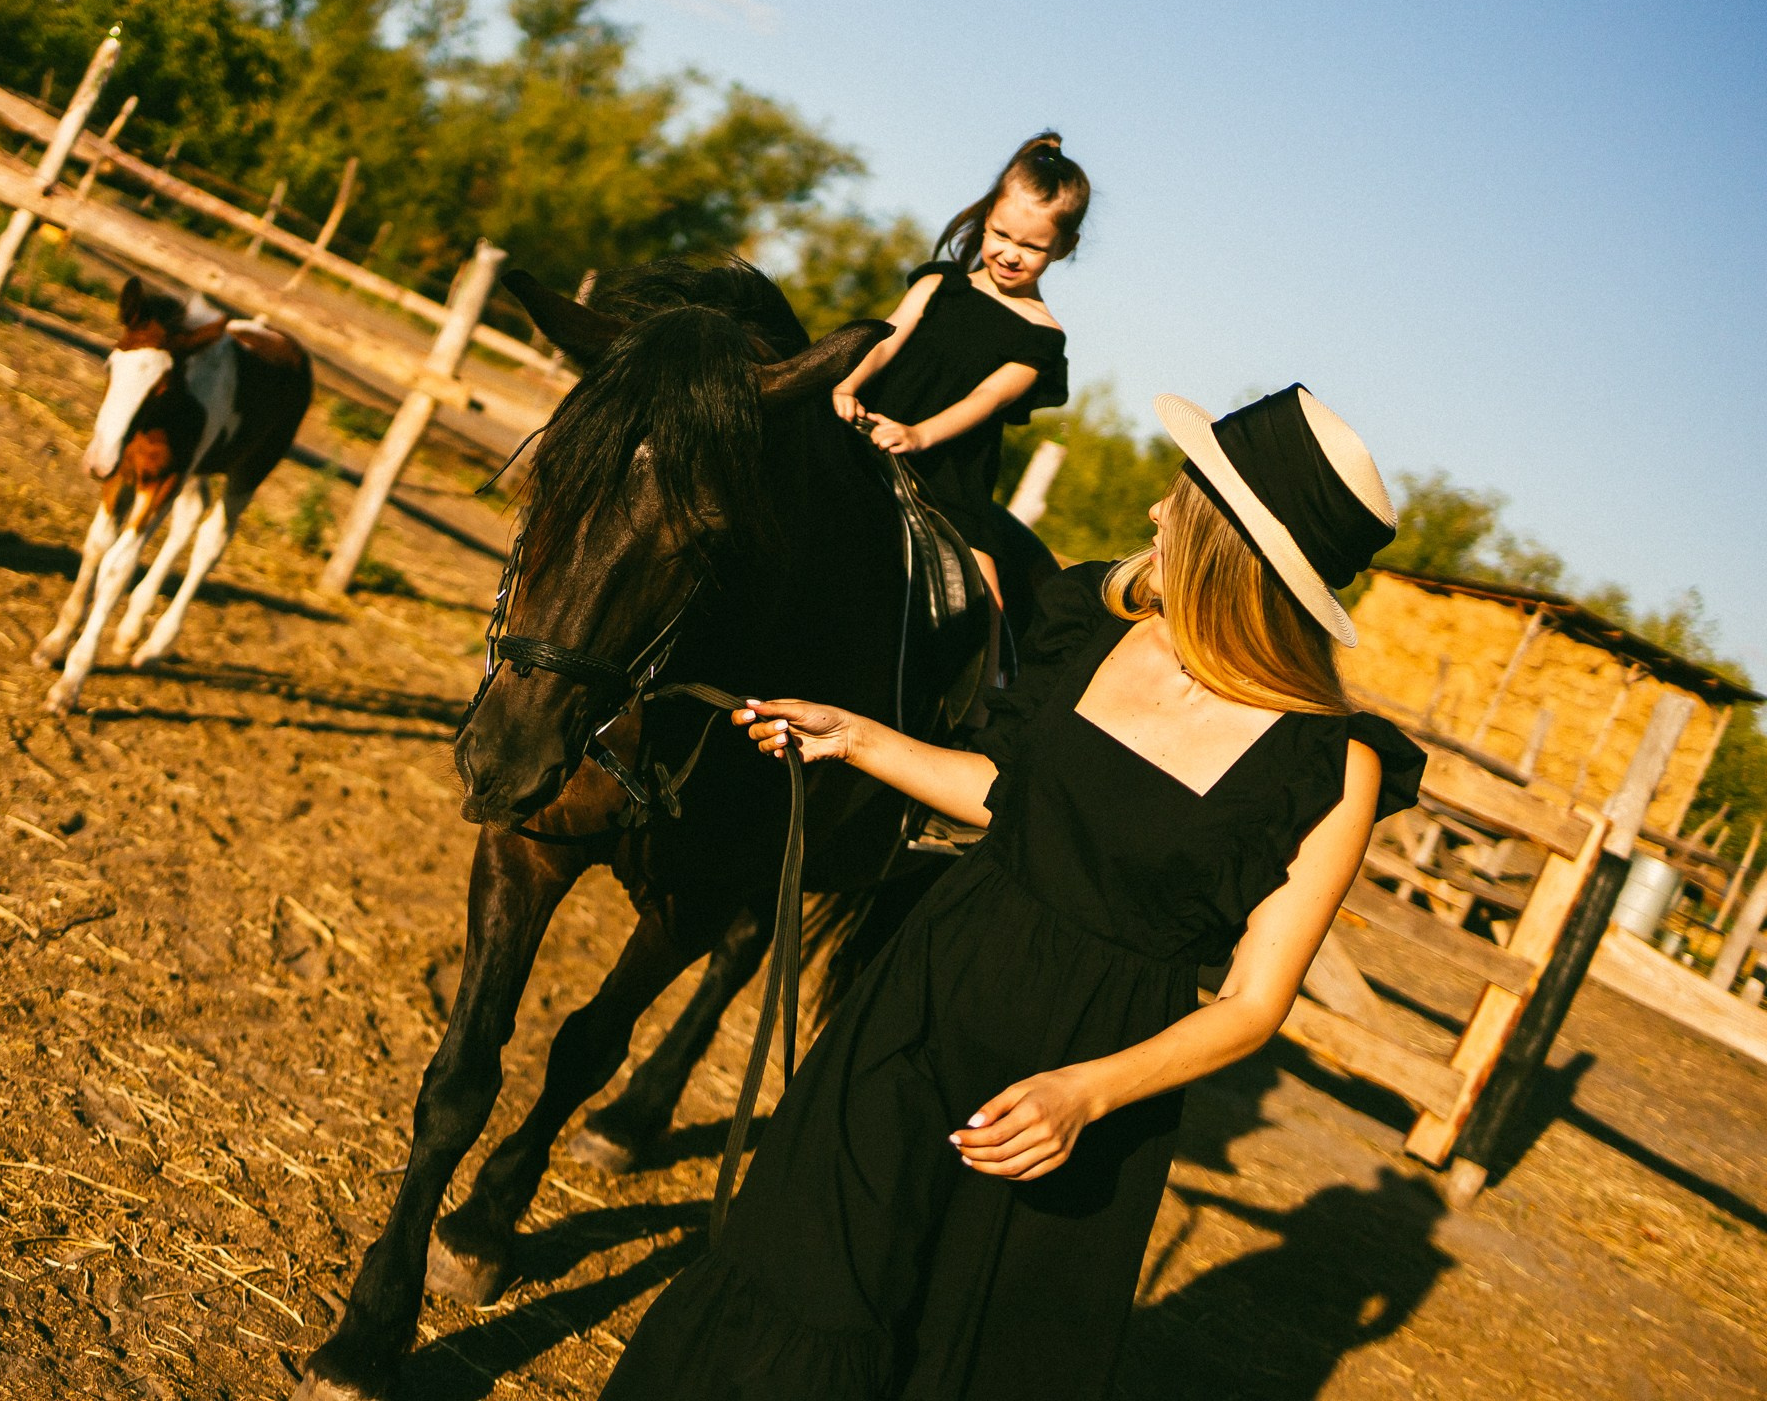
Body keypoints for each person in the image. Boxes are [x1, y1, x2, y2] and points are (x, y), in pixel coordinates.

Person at [599, 385, 1427, 1401]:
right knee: (806, 1275)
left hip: (1087, 1085)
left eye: (1182, 500)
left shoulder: (1333, 768)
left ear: (1233, 545)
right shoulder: (1093, 629)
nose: (1158, 515)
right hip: (926, 994)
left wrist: (1089, 1093)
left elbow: (1255, 1003)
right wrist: (855, 736)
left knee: (966, 1352)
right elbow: (1004, 794)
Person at [831, 134, 1086, 606]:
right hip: (868, 425)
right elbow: (884, 342)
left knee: (987, 595)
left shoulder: (1041, 336)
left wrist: (918, 435)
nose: (1010, 253)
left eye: (1031, 246)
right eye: (1001, 235)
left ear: (1064, 247)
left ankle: (990, 676)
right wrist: (845, 384)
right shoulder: (937, 284)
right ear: (987, 218)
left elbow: (985, 399)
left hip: (947, 474)